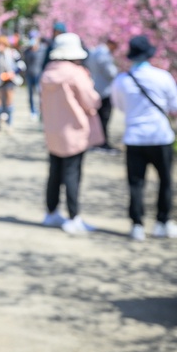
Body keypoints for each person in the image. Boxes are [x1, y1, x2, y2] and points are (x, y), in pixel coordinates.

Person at [111, 35, 177, 241]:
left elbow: (119, 106)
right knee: (165, 181)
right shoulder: (163, 77)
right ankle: (162, 222)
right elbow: (174, 106)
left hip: (135, 137)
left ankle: (137, 225)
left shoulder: (122, 80)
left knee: (136, 183)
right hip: (160, 136)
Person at [39, 33, 103, 235]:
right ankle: (74, 217)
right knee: (73, 175)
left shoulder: (47, 72)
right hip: (74, 131)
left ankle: (51, 212)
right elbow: (92, 100)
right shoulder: (76, 73)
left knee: (55, 173)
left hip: (53, 131)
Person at [86, 38, 120, 154]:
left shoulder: (95, 52)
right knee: (104, 118)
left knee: (98, 117)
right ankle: (102, 142)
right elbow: (111, 73)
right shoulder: (104, 54)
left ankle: (97, 141)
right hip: (104, 90)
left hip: (96, 87)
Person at [0, 36, 25, 131]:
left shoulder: (13, 53)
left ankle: (9, 123)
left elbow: (21, 65)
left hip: (10, 79)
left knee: (9, 99)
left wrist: (12, 73)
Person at [23, 38, 45, 120]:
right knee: (31, 94)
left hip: (38, 75)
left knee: (39, 93)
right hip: (29, 74)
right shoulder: (27, 52)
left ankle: (40, 110)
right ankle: (32, 111)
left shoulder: (41, 51)